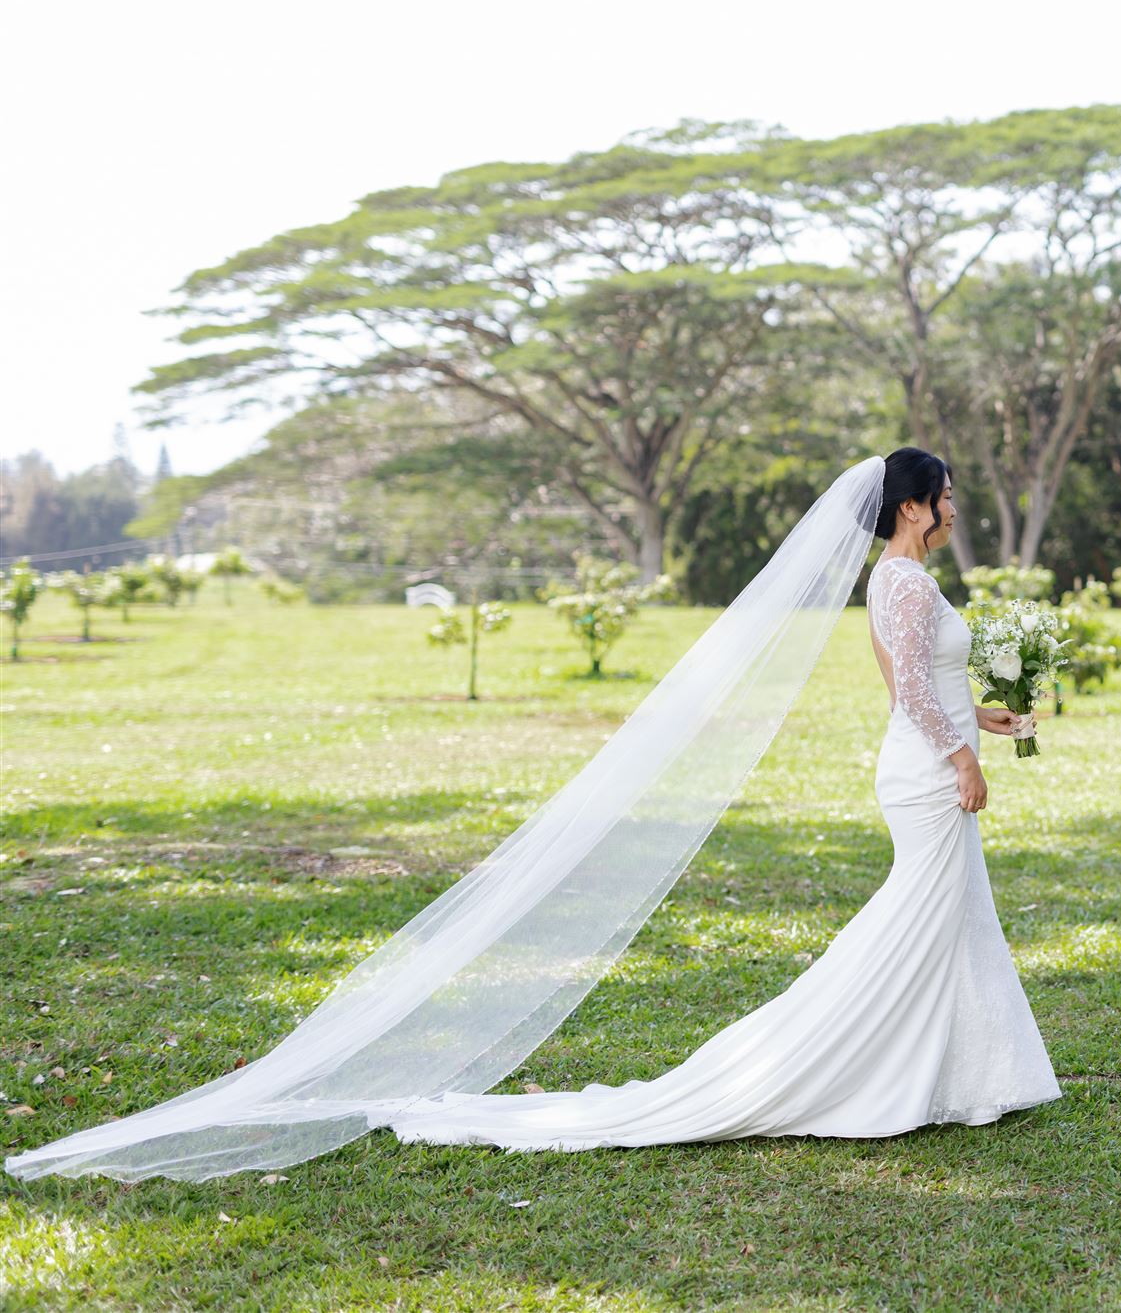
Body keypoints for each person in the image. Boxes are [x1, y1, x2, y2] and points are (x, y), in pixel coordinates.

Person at [6, 449, 1059, 1180]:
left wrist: (993, 719)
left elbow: (923, 688)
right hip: (926, 771)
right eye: (947, 492)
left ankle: (956, 1077)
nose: (956, 502)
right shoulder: (908, 584)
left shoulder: (901, 580)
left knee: (949, 920)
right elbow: (913, 696)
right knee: (918, 922)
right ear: (914, 504)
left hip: (927, 759)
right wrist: (963, 755)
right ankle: (841, 1072)